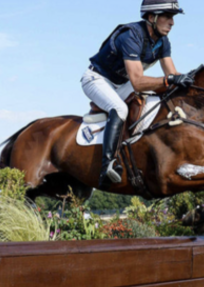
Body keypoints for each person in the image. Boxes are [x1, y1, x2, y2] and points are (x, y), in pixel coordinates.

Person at [82, 0, 193, 188]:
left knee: (155, 99)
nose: (172, 22)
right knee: (119, 109)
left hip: (121, 83)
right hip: (97, 80)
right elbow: (138, 82)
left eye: (172, 17)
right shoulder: (131, 36)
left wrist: (192, 81)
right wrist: (169, 81)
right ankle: (107, 165)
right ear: (152, 17)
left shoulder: (162, 42)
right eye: (167, 16)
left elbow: (171, 75)